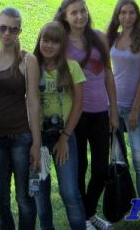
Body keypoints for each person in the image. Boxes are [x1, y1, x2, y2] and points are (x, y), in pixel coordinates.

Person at [54, 0, 119, 230]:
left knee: (101, 170)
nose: (80, 16)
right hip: (75, 115)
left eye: (83, 10)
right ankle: (85, 218)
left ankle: (88, 212)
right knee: (79, 168)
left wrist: (113, 111)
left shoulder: (99, 37)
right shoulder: (61, 42)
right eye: (74, 12)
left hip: (100, 112)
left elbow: (108, 73)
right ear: (65, 16)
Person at [0, 7, 41, 230]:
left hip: (22, 139)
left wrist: (36, 143)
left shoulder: (28, 60)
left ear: (19, 32)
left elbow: (33, 101)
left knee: (25, 199)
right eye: (3, 28)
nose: (7, 33)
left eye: (13, 29)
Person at [33, 21, 87, 230]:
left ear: (62, 45)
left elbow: (79, 104)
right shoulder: (31, 66)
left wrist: (64, 138)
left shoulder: (72, 67)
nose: (49, 45)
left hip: (64, 137)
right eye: (45, 40)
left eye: (55, 42)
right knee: (40, 194)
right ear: (39, 41)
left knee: (70, 192)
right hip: (38, 140)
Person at [106, 0, 140, 202]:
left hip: (134, 108)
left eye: (131, 12)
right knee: (117, 159)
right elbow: (108, 72)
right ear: (117, 15)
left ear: (137, 15)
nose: (127, 17)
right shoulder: (112, 38)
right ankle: (122, 203)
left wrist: (135, 109)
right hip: (112, 106)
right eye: (123, 12)